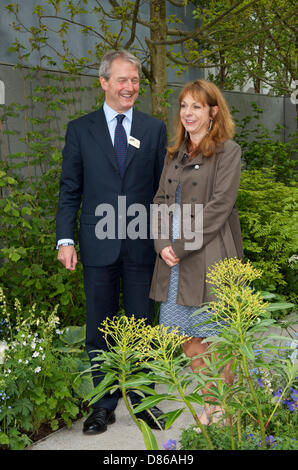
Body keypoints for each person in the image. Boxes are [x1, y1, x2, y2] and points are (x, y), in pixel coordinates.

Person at [56, 49, 167, 434]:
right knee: (99, 328)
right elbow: (70, 189)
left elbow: (162, 192)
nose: (130, 87)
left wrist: (168, 239)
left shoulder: (153, 129)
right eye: (122, 80)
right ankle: (103, 406)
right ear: (104, 82)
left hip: (141, 245)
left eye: (135, 80)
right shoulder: (80, 129)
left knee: (141, 326)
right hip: (97, 243)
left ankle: (142, 400)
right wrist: (65, 239)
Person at [149, 79, 243, 426]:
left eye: (197, 106)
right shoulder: (174, 154)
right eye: (184, 106)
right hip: (172, 258)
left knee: (215, 334)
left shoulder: (227, 152)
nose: (188, 113)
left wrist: (180, 245)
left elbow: (220, 207)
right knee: (189, 337)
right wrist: (161, 245)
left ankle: (223, 407)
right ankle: (211, 403)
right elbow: (159, 201)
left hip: (210, 253)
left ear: (213, 112)